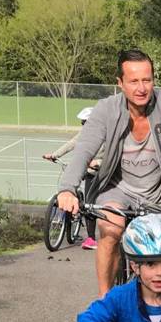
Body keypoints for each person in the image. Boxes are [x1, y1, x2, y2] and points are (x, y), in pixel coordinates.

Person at [56, 49, 161, 297]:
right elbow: (84, 150)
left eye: (147, 80)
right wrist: (67, 189)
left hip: (158, 193)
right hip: (116, 189)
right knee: (110, 230)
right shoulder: (105, 110)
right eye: (133, 81)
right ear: (120, 83)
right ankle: (106, 303)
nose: (141, 88)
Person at [43, 107, 103, 250]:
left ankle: (97, 237)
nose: (83, 125)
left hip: (101, 173)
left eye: (86, 122)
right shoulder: (84, 134)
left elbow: (114, 156)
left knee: (94, 203)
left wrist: (98, 163)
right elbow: (71, 143)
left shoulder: (105, 135)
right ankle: (81, 232)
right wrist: (55, 155)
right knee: (80, 196)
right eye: (82, 123)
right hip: (87, 170)